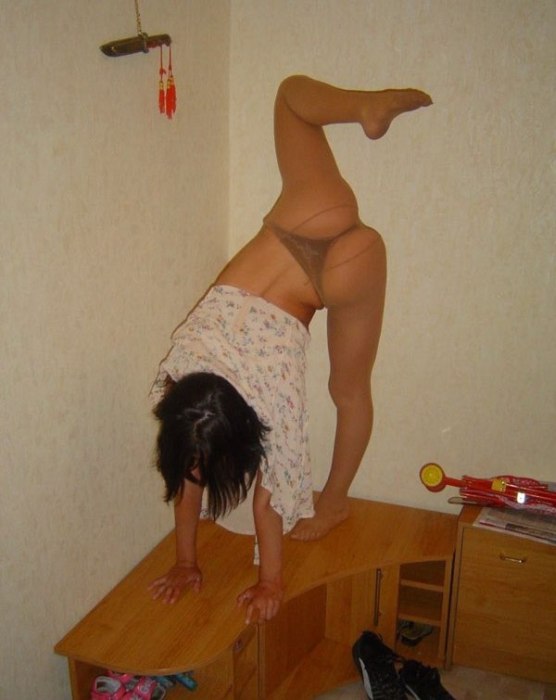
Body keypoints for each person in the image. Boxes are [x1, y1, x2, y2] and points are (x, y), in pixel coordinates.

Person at [148, 75, 432, 624]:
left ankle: (335, 502)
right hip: (309, 216)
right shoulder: (183, 371)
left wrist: (269, 581)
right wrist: (187, 560)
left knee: (348, 393)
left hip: (342, 272)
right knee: (288, 98)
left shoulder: (268, 413)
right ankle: (362, 104)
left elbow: (268, 500)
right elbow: (199, 476)